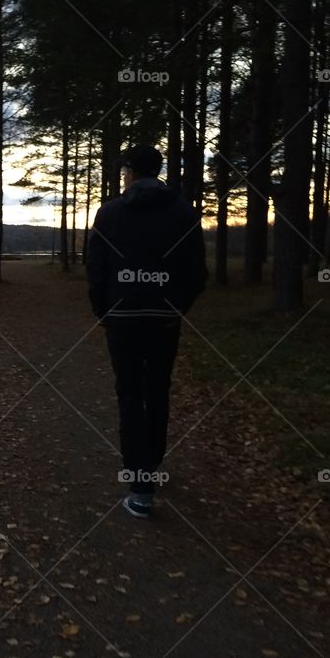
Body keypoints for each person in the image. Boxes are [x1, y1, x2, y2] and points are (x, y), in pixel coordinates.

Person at [86, 144, 207, 518]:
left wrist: (104, 312)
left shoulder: (110, 213)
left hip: (122, 320)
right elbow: (196, 273)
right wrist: (175, 308)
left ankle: (140, 486)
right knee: (156, 391)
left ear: (130, 173)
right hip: (163, 320)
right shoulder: (184, 212)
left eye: (124, 170)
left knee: (129, 393)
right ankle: (149, 466)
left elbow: (97, 270)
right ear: (157, 171)